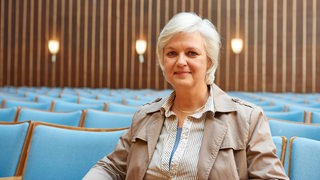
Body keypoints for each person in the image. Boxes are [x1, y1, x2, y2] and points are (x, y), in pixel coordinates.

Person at [83, 12, 288, 179]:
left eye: (191, 53)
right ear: (163, 61)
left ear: (209, 61)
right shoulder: (144, 116)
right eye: (171, 53)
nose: (181, 61)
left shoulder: (247, 119)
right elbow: (111, 167)